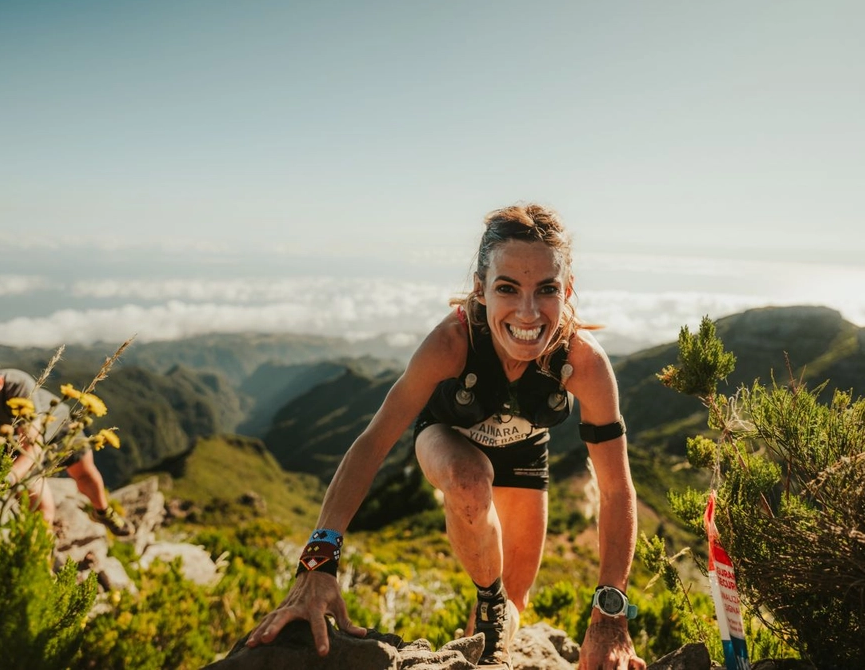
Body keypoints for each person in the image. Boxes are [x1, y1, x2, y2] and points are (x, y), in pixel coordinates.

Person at [246, 205, 646, 670]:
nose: (528, 311)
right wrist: (316, 566)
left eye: (547, 290)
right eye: (507, 288)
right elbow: (373, 444)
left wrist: (609, 617)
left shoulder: (585, 364)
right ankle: (488, 604)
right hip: (446, 436)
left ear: (567, 290)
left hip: (524, 452)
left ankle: (492, 612)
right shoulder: (450, 344)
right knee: (468, 480)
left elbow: (616, 489)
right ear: (480, 289)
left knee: (514, 602)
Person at [0, 350, 133, 536]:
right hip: (8, 445)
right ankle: (37, 562)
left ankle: (103, 511)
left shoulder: (18, 385)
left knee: (84, 472)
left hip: (55, 428)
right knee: (42, 510)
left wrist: (7, 480)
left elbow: (33, 446)